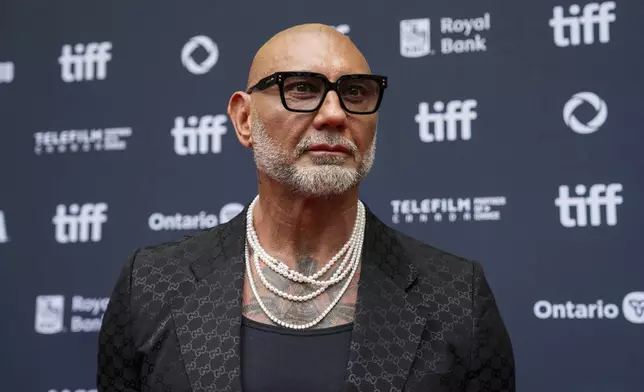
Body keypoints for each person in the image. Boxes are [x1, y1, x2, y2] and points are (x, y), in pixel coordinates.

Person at [97, 23, 515, 392]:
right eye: (301, 88)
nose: (334, 114)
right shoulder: (151, 286)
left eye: (355, 92)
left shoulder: (456, 297)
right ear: (244, 119)